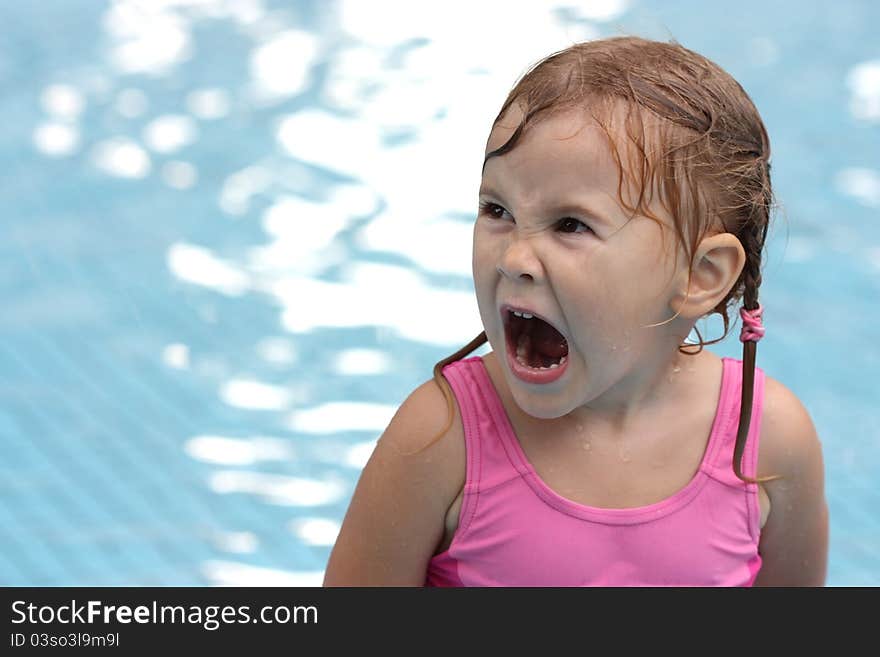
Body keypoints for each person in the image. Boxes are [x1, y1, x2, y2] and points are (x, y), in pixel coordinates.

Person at [323, 36, 829, 586]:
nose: (515, 258)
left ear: (700, 275)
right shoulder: (442, 438)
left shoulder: (769, 442)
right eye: (498, 210)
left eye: (571, 225)